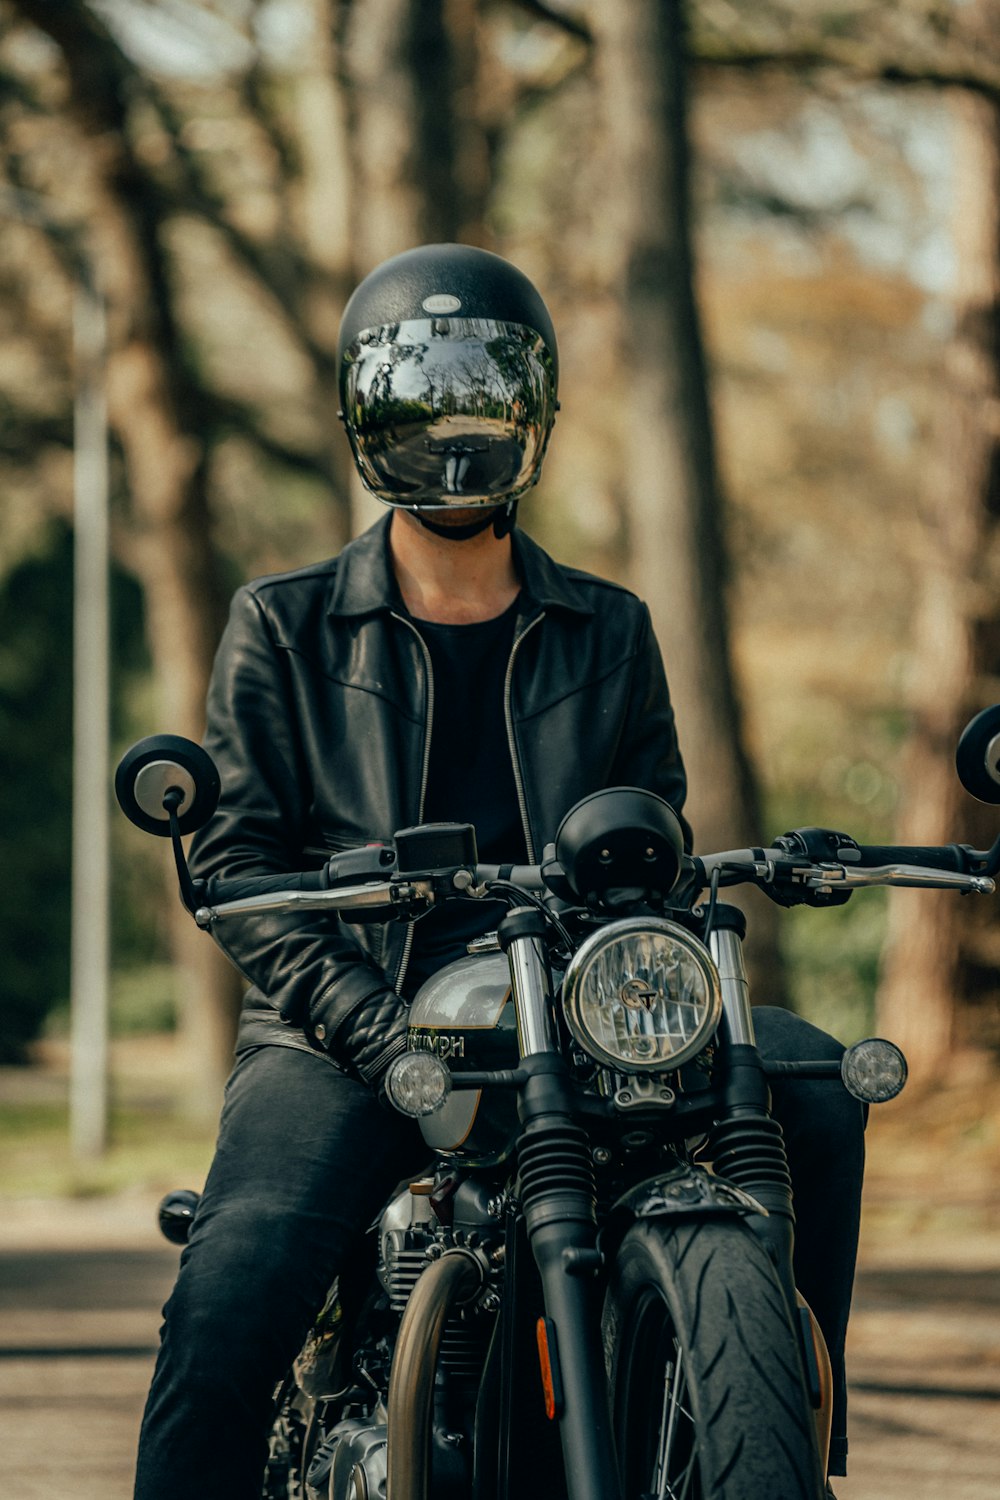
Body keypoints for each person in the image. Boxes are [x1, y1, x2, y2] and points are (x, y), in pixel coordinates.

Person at [133, 243, 861, 1498]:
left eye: (486, 390)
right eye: (422, 396)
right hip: (346, 1023)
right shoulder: (285, 622)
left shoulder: (609, 626)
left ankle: (779, 1436)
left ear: (535, 411)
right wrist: (372, 1027)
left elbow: (653, 843)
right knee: (233, 1294)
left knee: (813, 1088)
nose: (454, 433)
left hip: (573, 1018)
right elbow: (243, 864)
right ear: (367, 415)